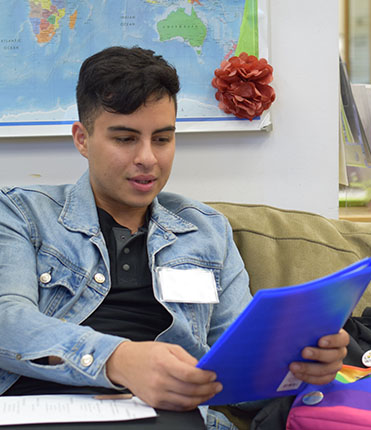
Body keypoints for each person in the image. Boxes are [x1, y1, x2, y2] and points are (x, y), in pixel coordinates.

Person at [0, 46, 348, 429]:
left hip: (171, 418)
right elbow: (8, 321)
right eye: (125, 139)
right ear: (82, 139)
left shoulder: (207, 230)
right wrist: (118, 359)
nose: (148, 158)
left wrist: (297, 368)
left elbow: (239, 375)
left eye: (162, 139)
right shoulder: (23, 214)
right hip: (43, 410)